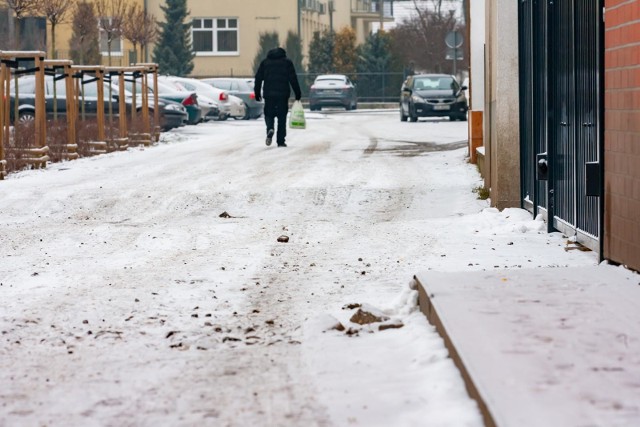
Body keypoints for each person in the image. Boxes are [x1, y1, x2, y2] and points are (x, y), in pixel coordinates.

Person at [254, 47, 302, 147]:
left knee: (269, 114)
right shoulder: (287, 63)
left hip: (269, 94)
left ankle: (270, 128)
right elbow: (293, 78)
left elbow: (258, 78)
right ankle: (281, 141)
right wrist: (297, 93)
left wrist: (257, 92)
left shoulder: (265, 63)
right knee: (282, 117)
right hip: (282, 95)